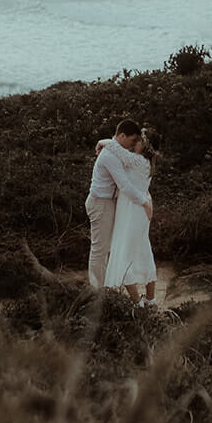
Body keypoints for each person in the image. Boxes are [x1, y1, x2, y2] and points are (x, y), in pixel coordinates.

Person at [85, 118, 152, 289]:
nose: (133, 144)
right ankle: (98, 291)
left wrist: (103, 142)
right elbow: (125, 185)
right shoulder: (109, 155)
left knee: (107, 248)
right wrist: (145, 202)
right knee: (99, 250)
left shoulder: (114, 151)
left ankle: (106, 289)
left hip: (108, 203)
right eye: (132, 140)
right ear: (122, 135)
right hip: (101, 203)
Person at [103, 127, 158, 306]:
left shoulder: (137, 160)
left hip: (132, 211)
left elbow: (115, 148)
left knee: (123, 253)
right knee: (143, 250)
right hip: (137, 211)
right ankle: (150, 298)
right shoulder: (146, 161)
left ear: (145, 144)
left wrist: (101, 141)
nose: (135, 142)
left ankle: (137, 302)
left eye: (139, 140)